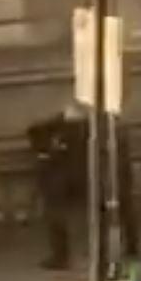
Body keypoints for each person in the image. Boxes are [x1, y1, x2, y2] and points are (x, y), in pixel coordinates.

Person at [28, 104, 89, 269]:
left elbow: (34, 131)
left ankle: (61, 256)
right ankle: (65, 255)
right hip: (78, 178)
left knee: (56, 217)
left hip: (60, 181)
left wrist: (61, 119)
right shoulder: (87, 130)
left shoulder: (61, 132)